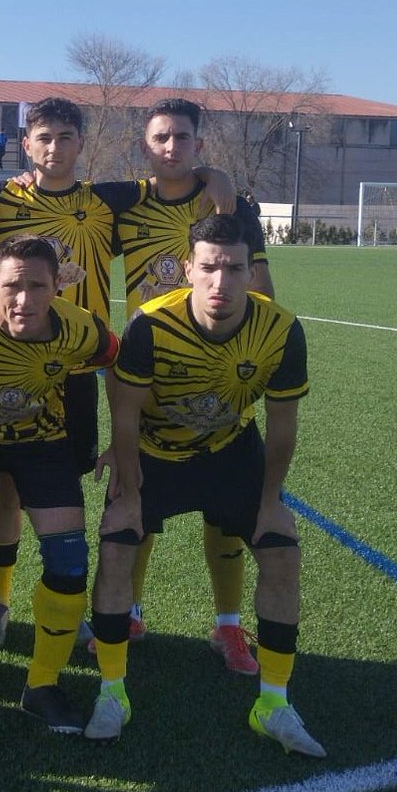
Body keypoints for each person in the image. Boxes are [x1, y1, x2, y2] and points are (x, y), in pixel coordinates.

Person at [0, 98, 240, 664]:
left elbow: (179, 180)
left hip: (76, 369)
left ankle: (71, 610)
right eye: (43, 137)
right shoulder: (0, 202)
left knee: (66, 497)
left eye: (66, 137)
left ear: (81, 144)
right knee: (6, 491)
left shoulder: (110, 201)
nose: (54, 148)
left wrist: (215, 173)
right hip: (6, 364)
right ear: (26, 144)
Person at [88, 214, 324, 758]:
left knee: (282, 553)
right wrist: (127, 486)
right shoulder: (150, 324)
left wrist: (270, 504)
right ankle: (112, 693)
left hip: (229, 453)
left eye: (234, 269)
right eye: (210, 268)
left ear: (250, 271)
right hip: (154, 454)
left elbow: (283, 425)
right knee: (117, 547)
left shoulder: (281, 329)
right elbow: (123, 416)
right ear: (188, 269)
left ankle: (273, 704)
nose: (221, 283)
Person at [0, 235, 118, 735]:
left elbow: (121, 363)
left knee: (70, 560)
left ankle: (42, 686)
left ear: (59, 286)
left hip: (41, 439)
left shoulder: (80, 328)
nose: (24, 299)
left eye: (38, 286)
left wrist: (119, 438)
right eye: (12, 285)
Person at [110, 98, 273, 672]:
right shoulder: (124, 203)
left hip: (221, 375)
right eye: (161, 137)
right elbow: (55, 201)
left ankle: (228, 626)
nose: (171, 147)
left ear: (199, 146)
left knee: (225, 516)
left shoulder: (230, 202)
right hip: (149, 376)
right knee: (137, 507)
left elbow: (265, 293)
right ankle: (127, 611)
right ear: (145, 145)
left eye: (183, 137)